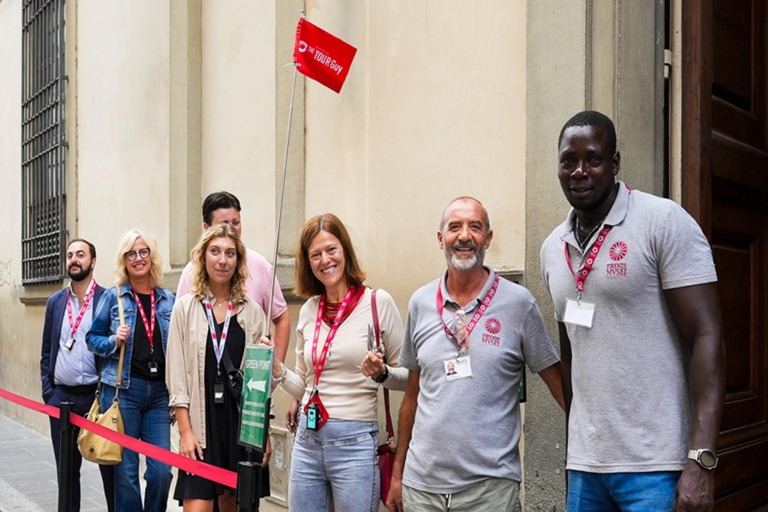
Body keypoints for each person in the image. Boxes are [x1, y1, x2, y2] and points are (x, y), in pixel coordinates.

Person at [540, 110, 725, 512]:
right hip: (587, 469)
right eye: (568, 161)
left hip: (656, 466)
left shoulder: (662, 222)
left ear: (615, 163)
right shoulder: (553, 247)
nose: (579, 171)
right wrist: (574, 454)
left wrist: (701, 459)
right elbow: (571, 353)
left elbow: (707, 337)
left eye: (593, 159)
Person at [387, 197, 564, 512]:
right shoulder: (420, 302)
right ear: (441, 238)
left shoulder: (518, 304)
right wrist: (398, 473)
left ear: (488, 238)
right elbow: (413, 396)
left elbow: (559, 385)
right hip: (421, 490)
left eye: (475, 227)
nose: (464, 236)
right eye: (454, 227)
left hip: (489, 492)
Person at [263, 213, 408, 512]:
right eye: (315, 254)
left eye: (331, 249)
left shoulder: (377, 303)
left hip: (355, 444)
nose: (325, 260)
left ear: (345, 251)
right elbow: (304, 385)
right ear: (308, 262)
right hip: (307, 440)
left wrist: (382, 374)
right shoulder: (308, 310)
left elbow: (409, 378)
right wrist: (278, 371)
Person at [176, 191, 290, 464]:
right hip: (202, 407)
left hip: (242, 406)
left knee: (234, 498)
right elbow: (180, 349)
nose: (232, 229)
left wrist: (274, 372)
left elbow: (281, 318)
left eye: (236, 222)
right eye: (223, 223)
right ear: (206, 230)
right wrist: (183, 429)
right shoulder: (190, 279)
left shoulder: (260, 268)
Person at [167, 224, 268, 511]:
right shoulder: (185, 308)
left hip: (239, 427)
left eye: (230, 253)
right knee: (196, 505)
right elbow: (176, 376)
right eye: (215, 252)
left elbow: (258, 385)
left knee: (231, 505)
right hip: (200, 425)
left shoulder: (252, 311)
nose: (222, 260)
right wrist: (185, 432)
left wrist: (264, 435)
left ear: (238, 261)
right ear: (203, 258)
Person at [86, 230, 176, 512]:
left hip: (160, 394)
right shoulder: (114, 297)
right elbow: (92, 338)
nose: (138, 259)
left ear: (152, 256)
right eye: (131, 254)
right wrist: (114, 340)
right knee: (125, 474)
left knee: (161, 471)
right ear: (124, 261)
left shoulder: (167, 299)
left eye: (144, 252)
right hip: (123, 392)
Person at [40, 238, 115, 512]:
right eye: (70, 254)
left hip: (97, 399)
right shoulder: (55, 303)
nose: (74, 259)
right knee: (67, 474)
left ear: (92, 261)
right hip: (62, 398)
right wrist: (48, 393)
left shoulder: (108, 299)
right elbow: (47, 351)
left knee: (110, 469)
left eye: (80, 254)